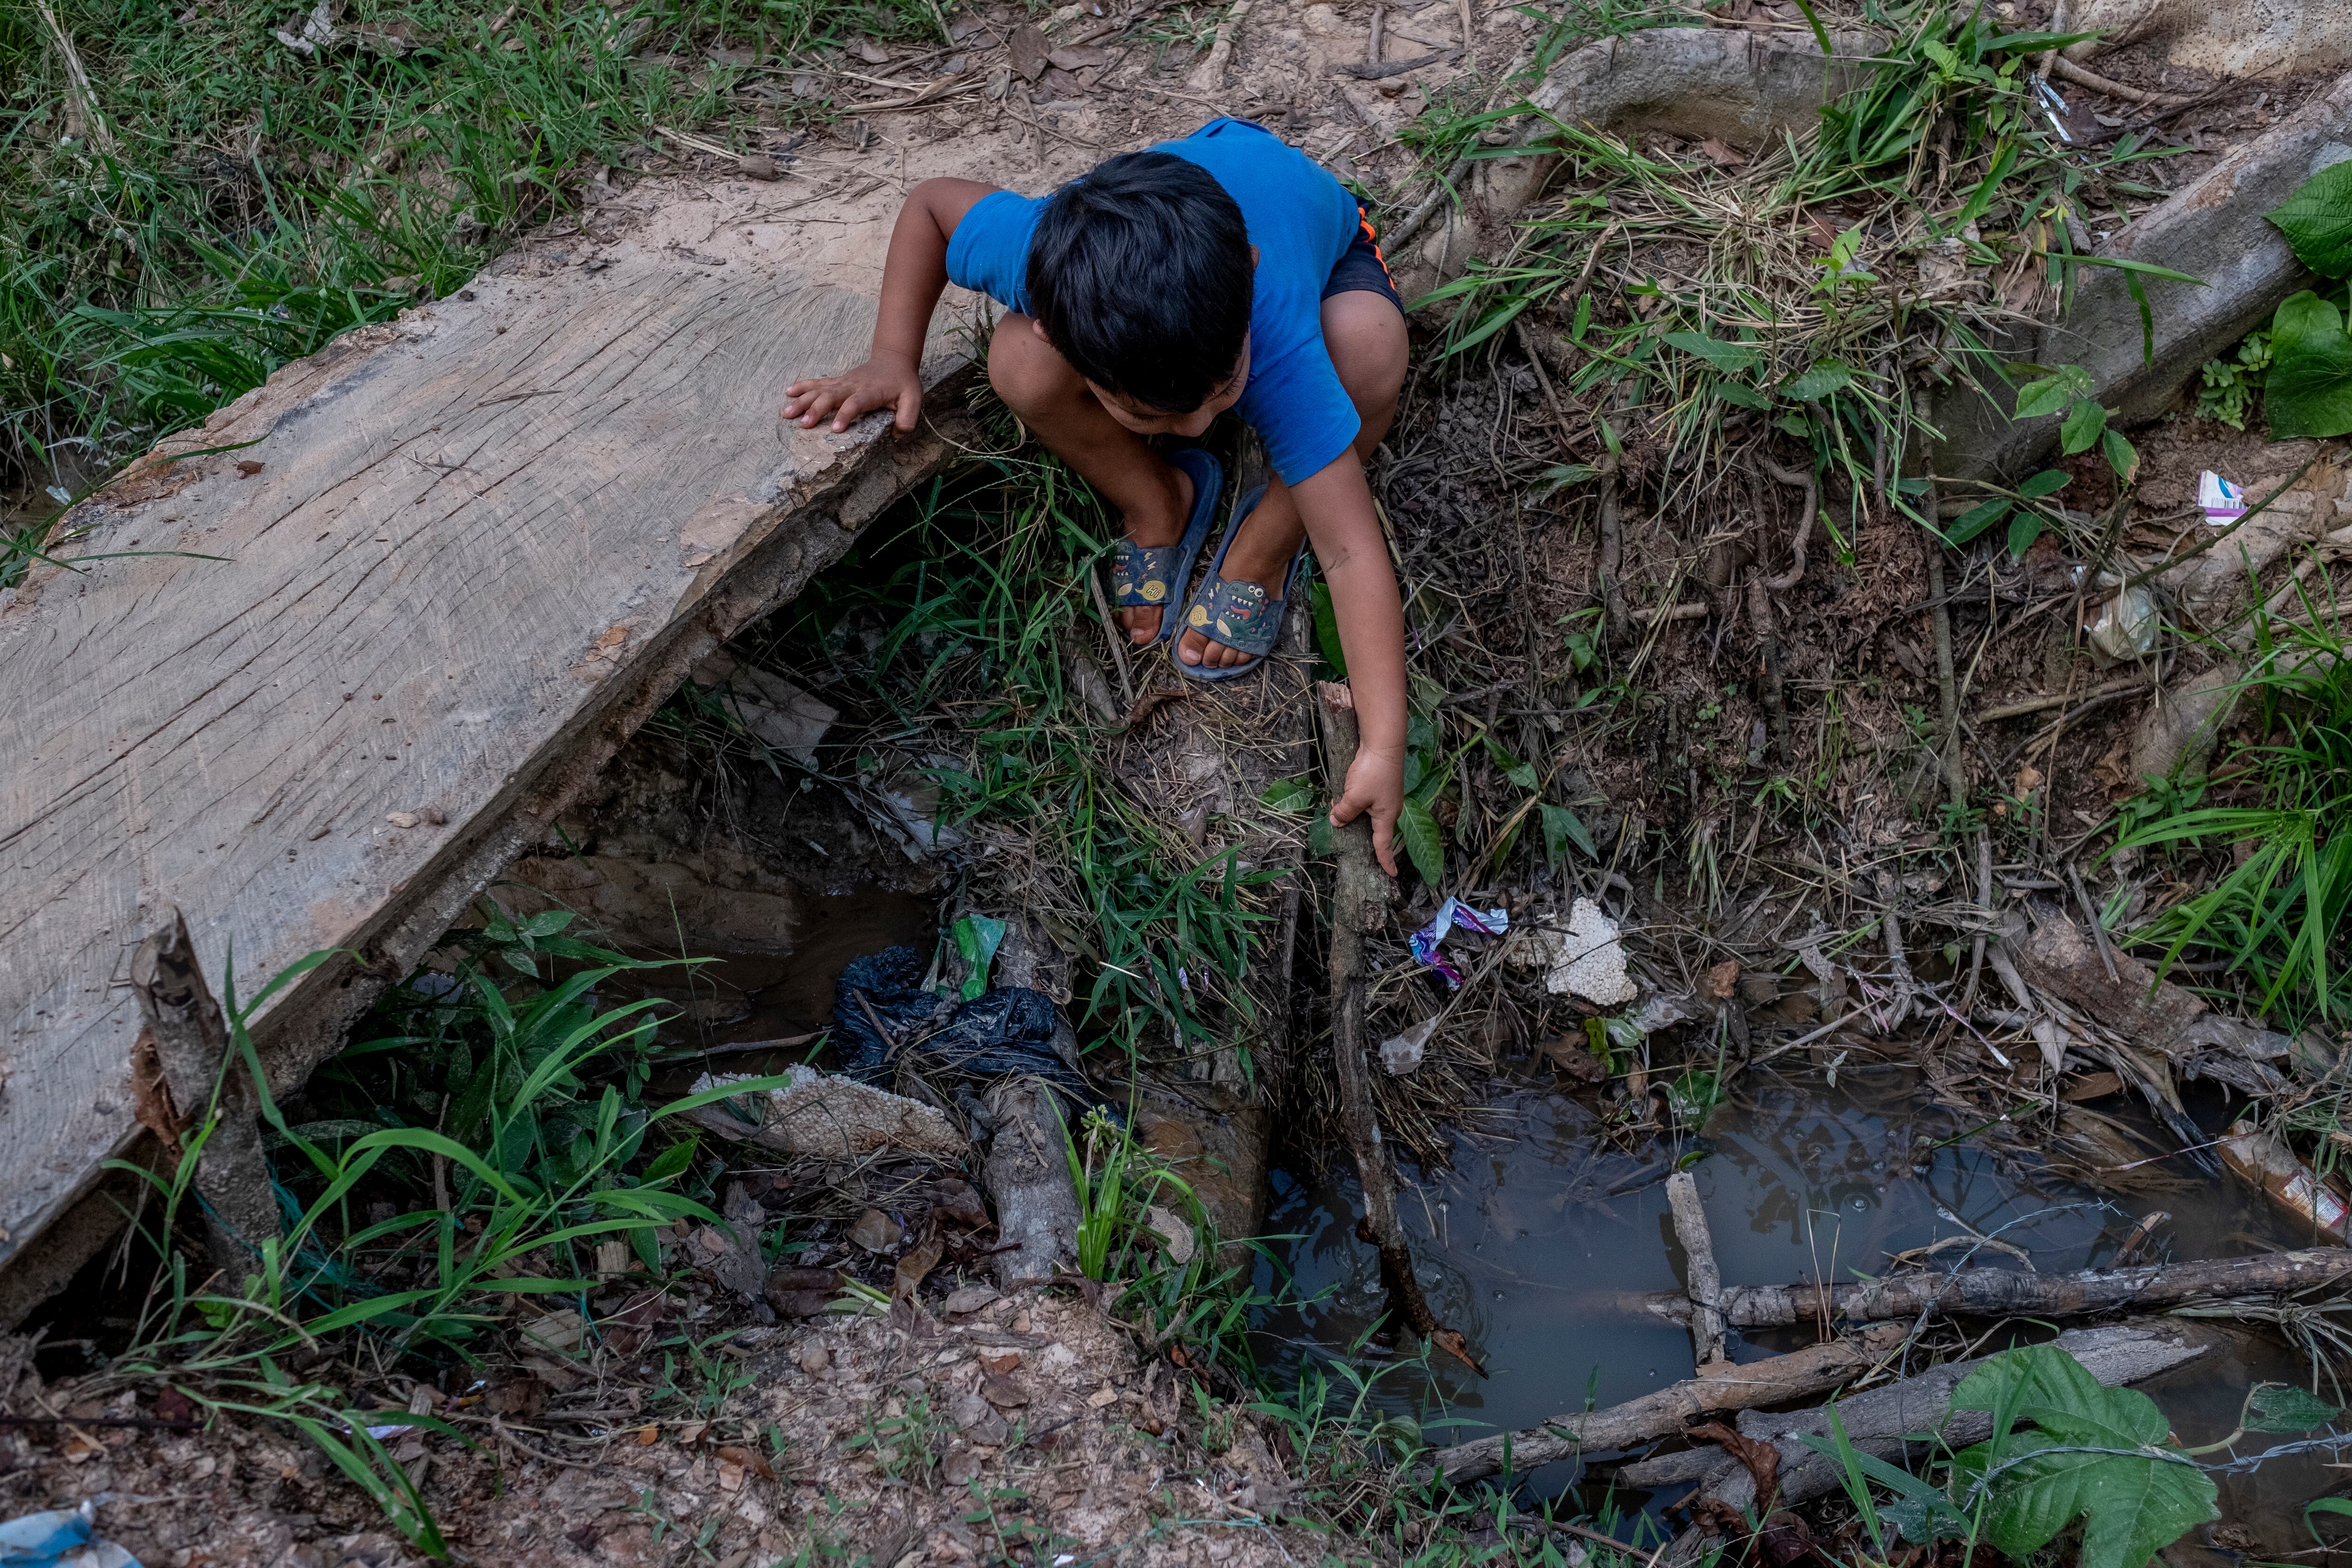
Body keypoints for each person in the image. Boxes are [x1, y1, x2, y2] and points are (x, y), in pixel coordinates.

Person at [782, 118, 1406, 875]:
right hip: (1171, 237)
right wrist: (892, 356)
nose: (1200, 423)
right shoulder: (1042, 255)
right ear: (1060, 326)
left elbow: (1349, 549)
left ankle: (1266, 544)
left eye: (1221, 394)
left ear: (1248, 272)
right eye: (1153, 416)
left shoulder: (1269, 319)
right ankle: (1156, 500)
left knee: (1370, 346)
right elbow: (931, 208)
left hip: (1321, 246)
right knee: (1017, 363)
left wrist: (1380, 743)